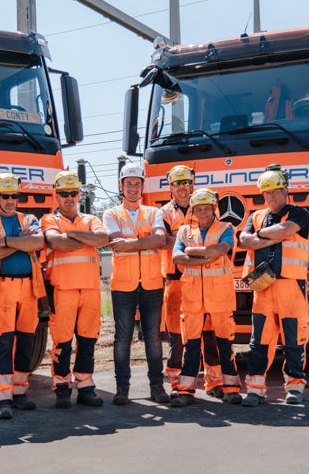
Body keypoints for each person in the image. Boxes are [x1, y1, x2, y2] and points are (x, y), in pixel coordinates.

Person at [237, 165, 309, 406]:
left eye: (275, 191)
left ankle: (295, 387)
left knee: (293, 340)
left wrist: (259, 236)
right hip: (263, 288)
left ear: (285, 190)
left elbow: (287, 230)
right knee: (259, 341)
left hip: (291, 286)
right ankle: (255, 389)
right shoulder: (255, 216)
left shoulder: (299, 213)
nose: (271, 196)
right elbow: (243, 240)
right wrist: (268, 235)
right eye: (266, 192)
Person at [0, 172, 47, 420]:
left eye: (14, 196)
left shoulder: (29, 218)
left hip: (29, 289)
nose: (10, 200)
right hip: (2, 289)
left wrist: (4, 242)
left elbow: (38, 243)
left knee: (26, 342)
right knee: (3, 343)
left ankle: (20, 393)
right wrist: (20, 240)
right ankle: (3, 398)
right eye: (5, 196)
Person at [40, 171, 110, 408]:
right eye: (63, 193)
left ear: (79, 194)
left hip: (90, 289)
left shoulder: (91, 219)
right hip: (62, 290)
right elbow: (56, 242)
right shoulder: (50, 220)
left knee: (88, 340)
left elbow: (103, 239)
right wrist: (84, 239)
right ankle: (61, 385)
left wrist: (71, 235)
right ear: (56, 195)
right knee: (62, 341)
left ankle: (85, 386)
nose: (69, 197)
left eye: (73, 193)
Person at [103, 162, 170, 405]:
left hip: (152, 282)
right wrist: (145, 240)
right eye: (128, 183)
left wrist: (130, 243)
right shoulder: (111, 214)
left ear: (143, 186)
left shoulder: (154, 212)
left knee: (153, 336)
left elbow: (160, 239)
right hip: (123, 284)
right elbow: (113, 241)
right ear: (121, 186)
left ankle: (157, 387)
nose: (133, 187)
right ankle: (122, 388)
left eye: (137, 183)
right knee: (122, 338)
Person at [169, 188, 242, 407]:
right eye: (198, 209)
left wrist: (192, 254)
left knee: (224, 344)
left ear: (214, 209)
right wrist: (204, 256)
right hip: (192, 299)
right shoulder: (183, 232)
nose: (202, 213)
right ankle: (185, 391)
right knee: (190, 346)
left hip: (219, 297)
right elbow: (176, 257)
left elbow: (220, 250)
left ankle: (231, 388)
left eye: (206, 209)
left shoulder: (226, 228)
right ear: (193, 210)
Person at [158, 164, 224, 398]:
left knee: (209, 332)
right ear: (171, 186)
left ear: (192, 183)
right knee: (177, 335)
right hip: (175, 281)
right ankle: (178, 383)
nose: (182, 187)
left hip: (204, 280)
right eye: (177, 183)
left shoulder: (202, 206)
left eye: (186, 182)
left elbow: (214, 235)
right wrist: (185, 242)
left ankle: (214, 382)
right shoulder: (164, 212)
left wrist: (180, 241)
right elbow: (161, 240)